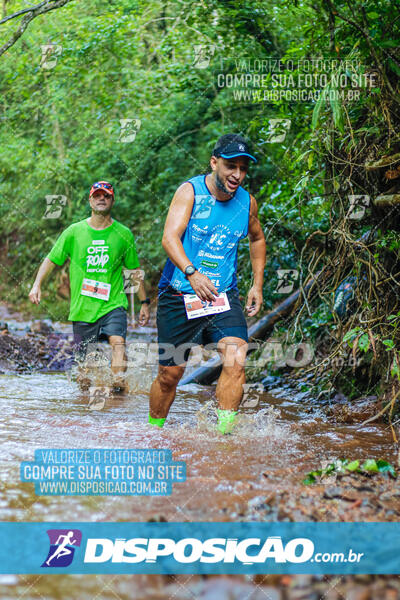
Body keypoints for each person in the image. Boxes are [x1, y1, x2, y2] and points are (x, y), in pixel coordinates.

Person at [149, 134, 266, 433]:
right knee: (169, 375)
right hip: (180, 293)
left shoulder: (247, 203)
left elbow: (257, 238)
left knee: (236, 359)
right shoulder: (190, 192)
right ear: (214, 162)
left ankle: (223, 436)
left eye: (243, 168)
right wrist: (192, 272)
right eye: (230, 166)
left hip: (222, 296)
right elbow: (169, 238)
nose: (237, 175)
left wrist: (257, 284)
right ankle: (154, 431)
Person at [29, 181, 150, 392]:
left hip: (113, 302)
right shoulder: (74, 232)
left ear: (113, 200)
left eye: (106, 196)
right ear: (90, 200)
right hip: (82, 307)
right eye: (97, 195)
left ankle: (117, 390)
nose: (101, 199)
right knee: (83, 374)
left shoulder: (123, 234)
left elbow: (134, 270)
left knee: (118, 343)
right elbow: (51, 259)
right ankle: (86, 411)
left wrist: (144, 302)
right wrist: (36, 284)